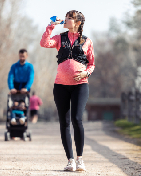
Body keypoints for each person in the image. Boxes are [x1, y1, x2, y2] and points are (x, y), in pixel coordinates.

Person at [40, 10, 95, 171]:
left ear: (77, 23)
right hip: (60, 86)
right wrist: (51, 26)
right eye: (66, 17)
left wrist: (87, 72)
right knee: (64, 123)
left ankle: (80, 159)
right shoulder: (59, 38)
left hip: (80, 85)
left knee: (77, 119)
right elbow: (44, 43)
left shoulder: (87, 41)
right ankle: (70, 160)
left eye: (69, 18)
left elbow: (91, 64)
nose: (66, 20)